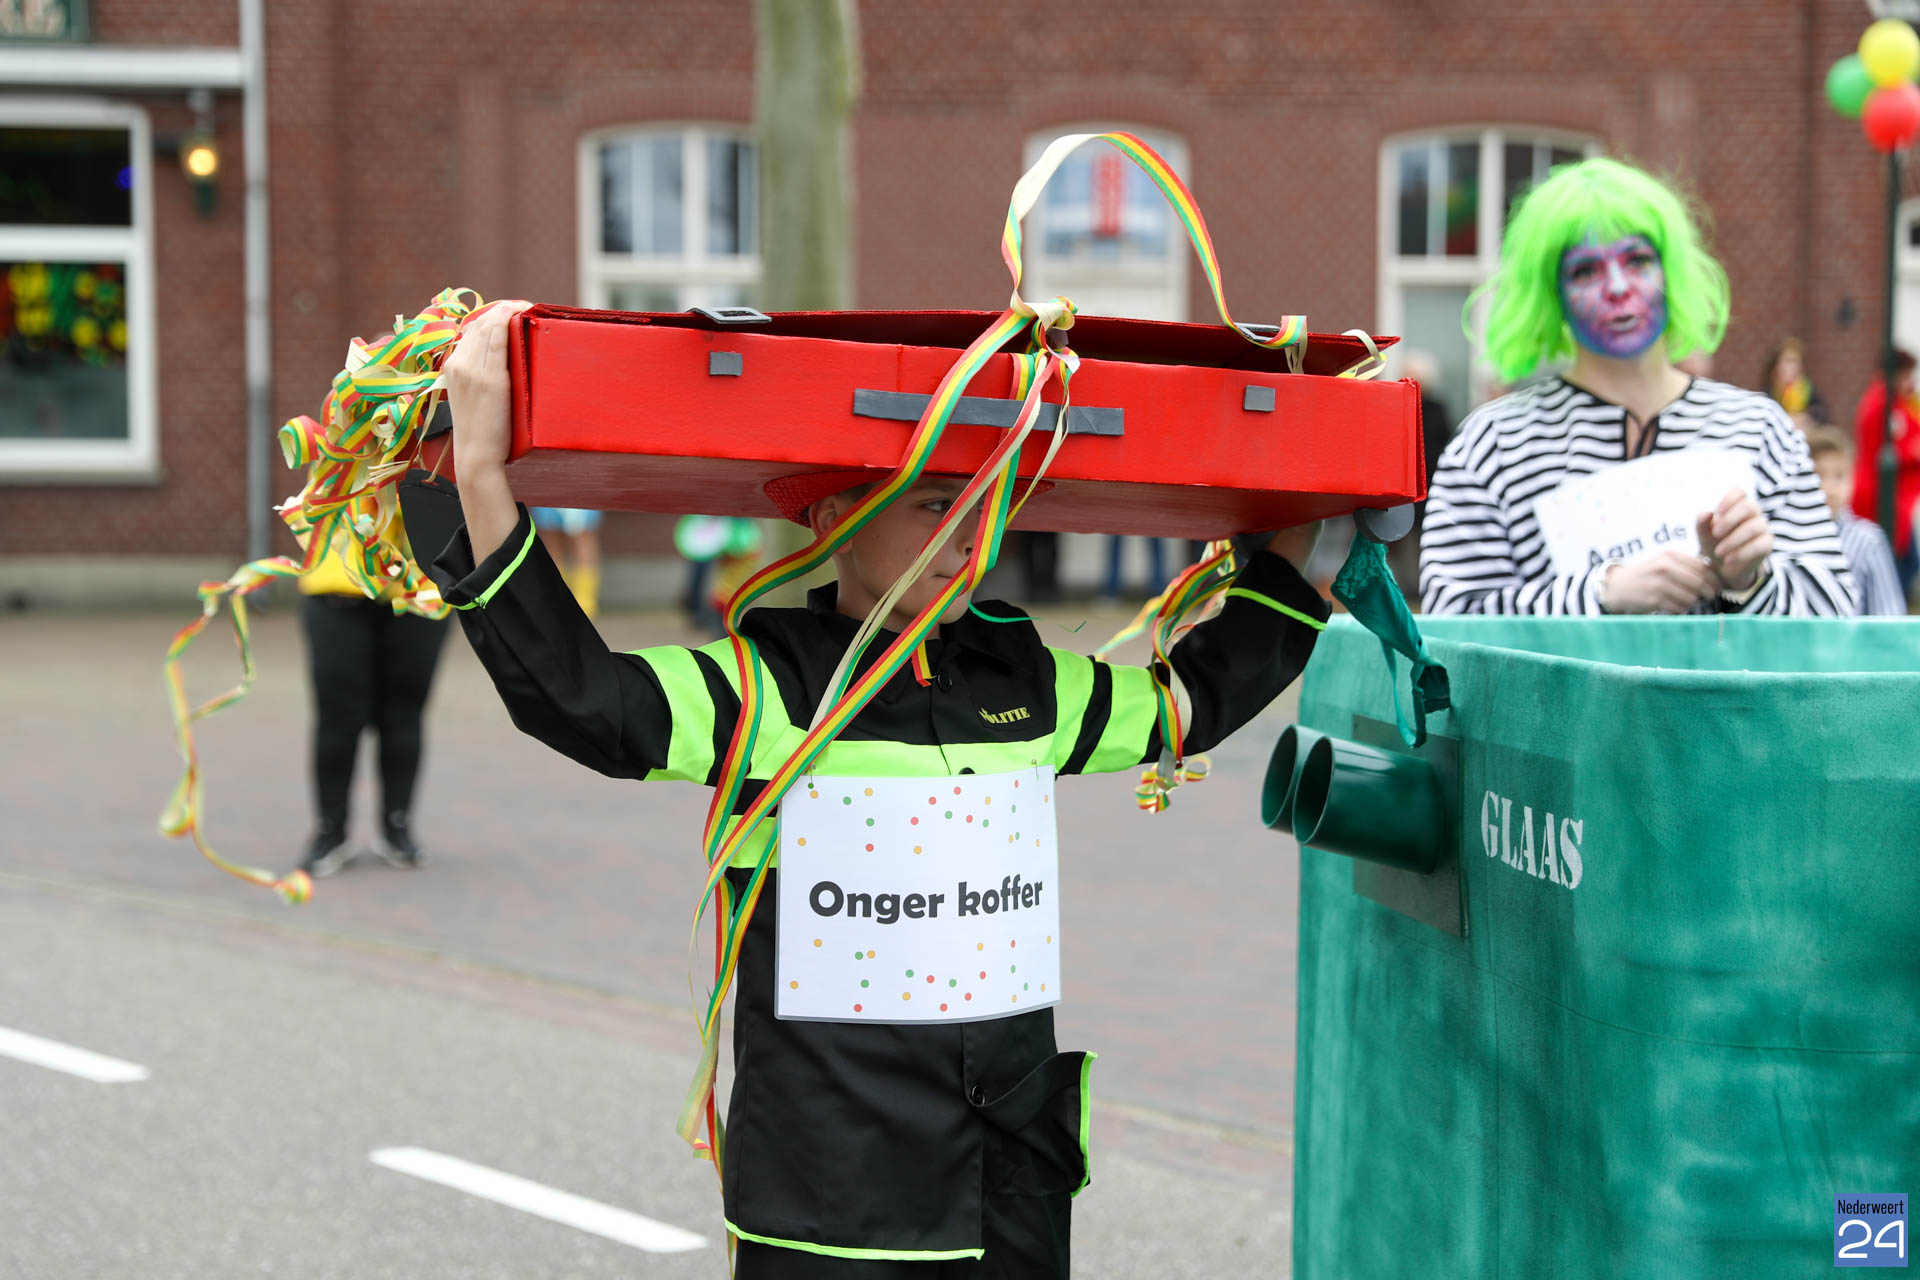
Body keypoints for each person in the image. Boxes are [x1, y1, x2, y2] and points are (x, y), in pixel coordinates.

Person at [431, 300, 1328, 1278]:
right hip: (829, 1189)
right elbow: (585, 702)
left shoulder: (1027, 683)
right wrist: (479, 474)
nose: (971, 537)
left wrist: (1298, 541)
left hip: (1006, 1177)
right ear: (833, 518)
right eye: (936, 505)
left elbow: (1186, 704)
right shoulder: (768, 686)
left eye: (986, 504)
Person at [1421, 157, 1853, 616]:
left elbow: (1835, 614)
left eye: (1639, 260)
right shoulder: (1494, 442)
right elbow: (1452, 621)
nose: (1617, 286)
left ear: (1672, 271)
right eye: (1585, 271)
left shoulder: (1759, 428)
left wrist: (1749, 581)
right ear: (1552, 294)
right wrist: (1600, 593)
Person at [295, 516, 450, 876]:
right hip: (338, 585)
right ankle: (330, 829)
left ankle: (397, 826)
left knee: (405, 713)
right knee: (337, 717)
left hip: (417, 586)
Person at [1804, 424, 1906, 616]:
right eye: (1819, 476)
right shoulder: (1791, 540)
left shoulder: (1869, 541)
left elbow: (1888, 613)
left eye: (1839, 476)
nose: (1829, 487)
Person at [1850, 347, 1920, 596]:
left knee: (1906, 561)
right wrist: (1913, 451)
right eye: (1905, 375)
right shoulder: (1881, 404)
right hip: (1881, 498)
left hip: (1894, 499)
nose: (1909, 382)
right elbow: (1886, 449)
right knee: (1897, 563)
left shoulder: (1898, 402)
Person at [529, 505, 604, 617]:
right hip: (550, 497)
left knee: (583, 535)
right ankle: (555, 597)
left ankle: (584, 601)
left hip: (582, 496)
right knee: (550, 535)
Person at [1761, 337, 1828, 424]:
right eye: (1786, 361)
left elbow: (1821, 416)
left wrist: (1806, 418)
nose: (1789, 367)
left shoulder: (1808, 390)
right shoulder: (1769, 393)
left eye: (1793, 361)